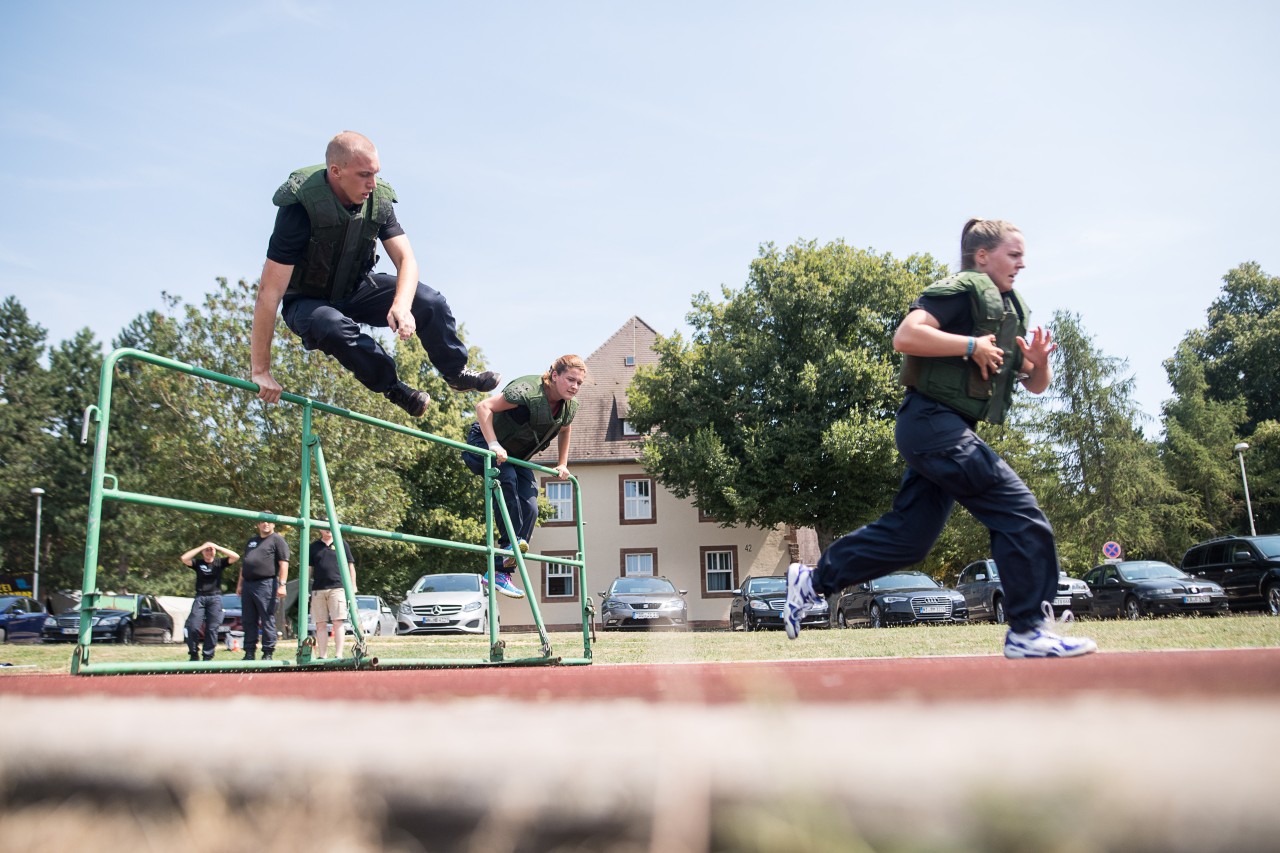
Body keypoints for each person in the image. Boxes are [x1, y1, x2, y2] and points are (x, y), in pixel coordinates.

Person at [783, 218, 1097, 659]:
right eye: (1014, 254)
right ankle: (1028, 628)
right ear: (982, 256)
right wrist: (970, 346)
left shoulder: (1002, 312)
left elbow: (1035, 384)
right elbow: (906, 335)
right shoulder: (959, 291)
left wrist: (1039, 362)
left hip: (942, 431)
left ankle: (813, 581)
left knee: (911, 538)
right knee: (1018, 512)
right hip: (931, 422)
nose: (1022, 264)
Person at [250, 130, 499, 417]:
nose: (372, 183)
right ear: (336, 171)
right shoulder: (300, 207)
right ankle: (393, 387)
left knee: (430, 301)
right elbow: (269, 293)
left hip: (356, 290)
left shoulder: (377, 198)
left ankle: (456, 372)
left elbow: (407, 259)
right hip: (308, 303)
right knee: (332, 326)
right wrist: (261, 370)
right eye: (364, 175)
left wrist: (401, 306)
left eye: (376, 173)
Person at [461, 355, 587, 599]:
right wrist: (493, 444)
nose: (574, 386)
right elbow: (483, 407)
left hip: (515, 455)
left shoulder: (568, 406)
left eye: (579, 383)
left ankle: (500, 572)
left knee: (530, 506)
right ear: (554, 375)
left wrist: (563, 463)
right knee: (504, 477)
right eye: (570, 379)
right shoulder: (527, 391)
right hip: (483, 443)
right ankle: (510, 544)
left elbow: (565, 426)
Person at [236, 517, 290, 661]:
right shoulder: (251, 541)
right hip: (248, 584)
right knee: (248, 619)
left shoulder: (277, 540)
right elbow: (245, 564)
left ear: (273, 524)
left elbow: (284, 563)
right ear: (258, 524)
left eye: (269, 521)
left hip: (266, 584)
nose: (266, 524)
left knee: (267, 618)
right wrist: (240, 585)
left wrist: (282, 584)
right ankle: (249, 652)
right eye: (263, 521)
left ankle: (268, 652)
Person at [179, 541, 239, 661]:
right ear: (202, 552)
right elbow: (184, 558)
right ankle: (194, 653)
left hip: (215, 598)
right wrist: (201, 546)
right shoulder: (198, 563)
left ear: (215, 551)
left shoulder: (219, 563)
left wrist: (218, 546)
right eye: (207, 550)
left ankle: (208, 656)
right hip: (200, 597)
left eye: (211, 550)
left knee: (212, 628)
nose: (209, 552)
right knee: (193, 627)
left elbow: (235, 556)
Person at [309, 520, 355, 660]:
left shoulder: (342, 544)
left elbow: (350, 566)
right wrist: (305, 588)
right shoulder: (314, 546)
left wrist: (353, 585)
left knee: (338, 621)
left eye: (330, 526)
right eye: (325, 526)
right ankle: (322, 655)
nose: (328, 529)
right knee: (320, 623)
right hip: (318, 589)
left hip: (337, 587)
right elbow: (309, 568)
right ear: (320, 530)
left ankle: (338, 654)